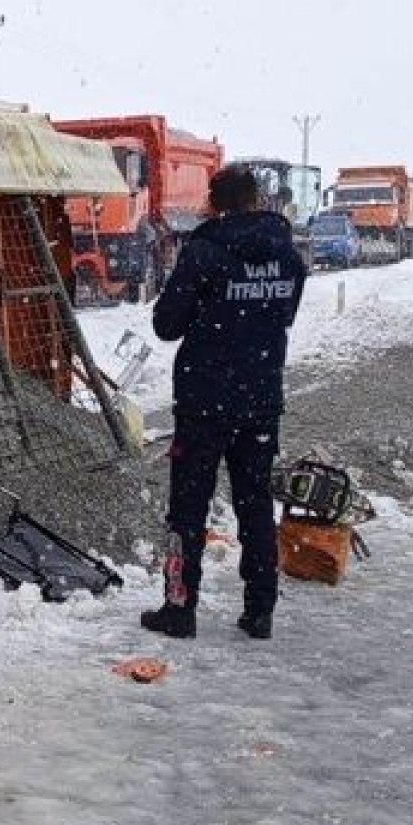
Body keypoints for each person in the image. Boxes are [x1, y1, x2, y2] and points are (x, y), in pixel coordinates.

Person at [141, 164, 308, 640]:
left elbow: (166, 325)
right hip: (260, 399)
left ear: (215, 203)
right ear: (256, 200)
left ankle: (179, 608)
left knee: (187, 510)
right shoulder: (287, 256)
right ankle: (260, 611)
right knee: (255, 505)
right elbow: (284, 315)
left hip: (204, 402)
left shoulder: (204, 252)